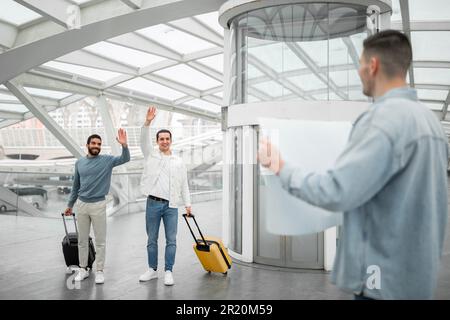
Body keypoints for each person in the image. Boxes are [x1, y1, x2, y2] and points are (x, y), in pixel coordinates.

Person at [258, 30, 448, 299]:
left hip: (382, 282)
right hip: (416, 279)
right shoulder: (430, 123)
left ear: (373, 66)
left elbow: (337, 191)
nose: (358, 71)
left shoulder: (382, 120)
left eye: (360, 64)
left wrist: (280, 166)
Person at [64, 129, 130, 284]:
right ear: (87, 145)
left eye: (99, 144)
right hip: (81, 205)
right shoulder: (79, 163)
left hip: (99, 205)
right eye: (93, 143)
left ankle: (99, 271)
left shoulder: (107, 160)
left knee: (100, 241)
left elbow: (125, 159)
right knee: (82, 240)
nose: (96, 146)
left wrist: (124, 145)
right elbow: (75, 186)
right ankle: (83, 269)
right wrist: (70, 205)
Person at [138, 106, 192, 286]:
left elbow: (184, 183)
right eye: (161, 139)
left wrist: (188, 204)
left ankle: (168, 270)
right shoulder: (151, 155)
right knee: (151, 239)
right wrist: (147, 122)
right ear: (157, 141)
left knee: (172, 240)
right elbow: (143, 140)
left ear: (171, 141)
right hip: (153, 203)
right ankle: (152, 270)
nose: (164, 141)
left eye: (167, 138)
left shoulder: (178, 161)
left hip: (172, 206)